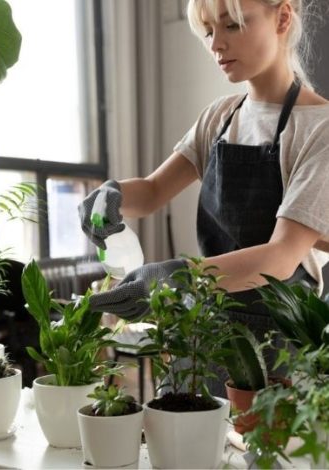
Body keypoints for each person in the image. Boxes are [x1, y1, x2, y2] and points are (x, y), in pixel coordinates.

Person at [78, 0, 329, 393]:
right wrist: (111, 193)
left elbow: (280, 258)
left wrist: (172, 276)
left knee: (252, 452)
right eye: (209, 31)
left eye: (232, 25)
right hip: (202, 324)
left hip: (275, 341)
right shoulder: (219, 117)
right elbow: (153, 190)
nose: (216, 45)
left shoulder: (319, 128)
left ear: (282, 18)